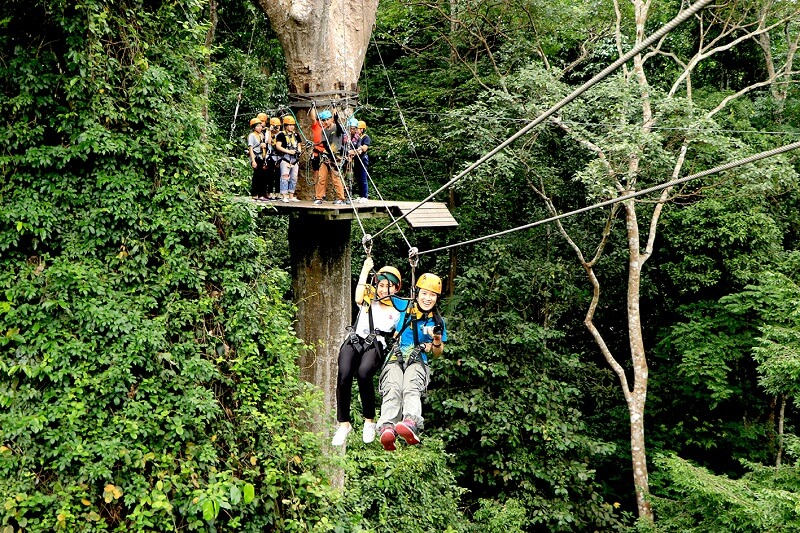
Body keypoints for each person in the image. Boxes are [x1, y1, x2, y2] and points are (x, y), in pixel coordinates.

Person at [332, 257, 406, 446]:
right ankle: (344, 423)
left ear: (396, 289)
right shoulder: (368, 297)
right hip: (355, 339)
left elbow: (401, 328)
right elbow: (357, 296)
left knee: (365, 373)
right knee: (344, 374)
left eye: (389, 286)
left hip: (375, 344)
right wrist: (366, 269)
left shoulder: (398, 308)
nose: (384, 290)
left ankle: (369, 420)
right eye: (381, 285)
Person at [377, 273, 447, 451]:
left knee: (410, 387)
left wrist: (436, 340)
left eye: (432, 295)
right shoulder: (404, 306)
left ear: (437, 298)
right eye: (424, 293)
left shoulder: (437, 322)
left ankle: (410, 421)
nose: (427, 298)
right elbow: (386, 294)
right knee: (392, 388)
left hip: (417, 360)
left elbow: (438, 353)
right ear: (416, 293)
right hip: (396, 355)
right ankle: (387, 427)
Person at [313, 109, 347, 205]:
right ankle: (319, 197)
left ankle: (341, 198)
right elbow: (324, 144)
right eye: (324, 120)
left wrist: (336, 120)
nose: (325, 122)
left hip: (336, 156)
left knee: (336, 178)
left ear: (331, 119)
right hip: (327, 155)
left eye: (327, 120)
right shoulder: (323, 131)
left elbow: (341, 130)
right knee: (321, 178)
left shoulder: (336, 128)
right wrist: (328, 154)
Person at [275, 115, 302, 203]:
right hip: (285, 158)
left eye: (292, 125)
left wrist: (299, 151)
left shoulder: (296, 135)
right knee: (285, 177)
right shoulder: (281, 135)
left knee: (294, 177)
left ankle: (291, 195)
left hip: (295, 159)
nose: (291, 126)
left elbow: (299, 145)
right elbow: (278, 146)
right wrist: (288, 151)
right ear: (286, 125)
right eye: (289, 125)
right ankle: (284, 195)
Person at [348, 120, 370, 203]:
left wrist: (358, 147)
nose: (356, 130)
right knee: (357, 178)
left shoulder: (365, 137)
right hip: (356, 159)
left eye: (358, 128)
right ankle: (361, 195)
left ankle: (365, 196)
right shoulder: (355, 137)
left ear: (362, 129)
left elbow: (365, 148)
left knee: (363, 177)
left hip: (363, 159)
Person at [247, 117, 268, 200]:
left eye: (260, 126)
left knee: (263, 176)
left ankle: (261, 194)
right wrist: (253, 161)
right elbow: (251, 148)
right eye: (257, 126)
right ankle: (255, 194)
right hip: (256, 157)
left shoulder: (261, 134)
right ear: (253, 127)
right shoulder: (252, 135)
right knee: (257, 176)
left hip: (262, 156)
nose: (259, 128)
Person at [265, 117, 283, 200]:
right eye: (274, 126)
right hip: (271, 156)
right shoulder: (268, 133)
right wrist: (269, 131)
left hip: (279, 156)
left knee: (278, 175)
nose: (276, 128)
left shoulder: (281, 134)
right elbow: (268, 142)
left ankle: (278, 193)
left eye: (278, 126)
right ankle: (270, 192)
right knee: (270, 175)